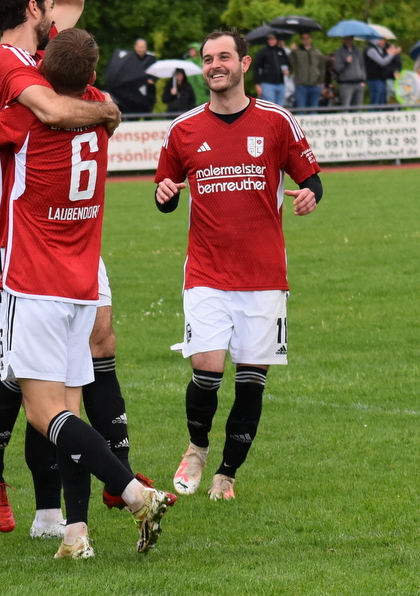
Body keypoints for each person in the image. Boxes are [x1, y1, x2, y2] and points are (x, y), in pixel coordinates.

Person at [0, 28, 170, 558]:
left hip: (34, 283)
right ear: (92, 76)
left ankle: (135, 494)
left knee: (43, 414)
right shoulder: (101, 107)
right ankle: (76, 532)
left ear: (41, 72)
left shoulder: (24, 117)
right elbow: (85, 100)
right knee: (70, 407)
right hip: (83, 283)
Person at [154, 29, 323, 501]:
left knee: (250, 384)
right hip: (206, 273)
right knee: (206, 373)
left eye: (224, 56)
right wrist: (164, 194)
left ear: (244, 64)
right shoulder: (183, 128)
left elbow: (311, 178)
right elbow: (165, 191)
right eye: (208, 59)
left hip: (264, 276)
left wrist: (310, 194)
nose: (215, 65)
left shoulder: (277, 121)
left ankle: (226, 475)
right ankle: (197, 448)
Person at [253, 32, 290, 105]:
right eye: (269, 39)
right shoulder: (263, 52)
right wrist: (257, 84)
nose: (271, 41)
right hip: (267, 84)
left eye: (273, 39)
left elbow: (287, 63)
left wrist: (287, 70)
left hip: (281, 83)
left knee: (280, 106)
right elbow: (256, 67)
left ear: (277, 40)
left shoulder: (281, 51)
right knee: (269, 105)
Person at [290, 32, 325, 109]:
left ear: (311, 39)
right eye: (303, 38)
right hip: (301, 85)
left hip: (315, 85)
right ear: (301, 40)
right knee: (300, 109)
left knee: (314, 109)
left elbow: (322, 68)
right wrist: (292, 52)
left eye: (307, 38)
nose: (306, 40)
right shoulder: (297, 52)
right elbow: (291, 64)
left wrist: (320, 82)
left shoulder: (317, 52)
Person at [365, 38, 402, 106]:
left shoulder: (380, 48)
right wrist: (392, 54)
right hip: (375, 79)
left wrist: (389, 53)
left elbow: (394, 62)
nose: (383, 41)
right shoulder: (371, 49)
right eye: (380, 39)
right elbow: (382, 61)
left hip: (382, 79)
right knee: (376, 102)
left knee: (382, 103)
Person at [333, 36, 365, 107]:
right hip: (346, 84)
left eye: (350, 39)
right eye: (347, 39)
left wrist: (363, 80)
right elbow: (338, 68)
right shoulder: (339, 52)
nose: (348, 41)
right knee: (346, 107)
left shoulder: (358, 51)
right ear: (343, 40)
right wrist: (346, 62)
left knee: (358, 107)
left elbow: (362, 66)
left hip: (358, 83)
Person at [133, 38, 157, 111]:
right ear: (135, 47)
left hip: (149, 91)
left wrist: (152, 80)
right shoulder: (131, 59)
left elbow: (157, 72)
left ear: (146, 48)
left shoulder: (151, 58)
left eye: (142, 47)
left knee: (148, 111)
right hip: (135, 91)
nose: (141, 49)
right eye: (139, 47)